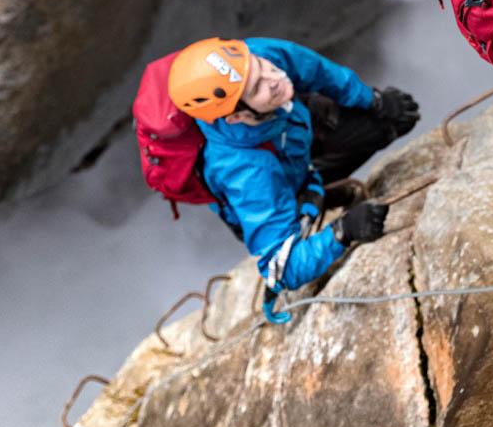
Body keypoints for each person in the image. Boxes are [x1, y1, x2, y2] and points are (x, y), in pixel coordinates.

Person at [167, 36, 419, 295]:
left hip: (293, 132)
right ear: (237, 116)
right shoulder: (246, 172)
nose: (273, 77)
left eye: (261, 66)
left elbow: (317, 70)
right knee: (293, 219)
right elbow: (280, 270)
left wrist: (372, 100)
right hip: (279, 176)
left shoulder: (251, 60)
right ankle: (317, 193)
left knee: (392, 120)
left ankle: (321, 188)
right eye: (257, 88)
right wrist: (342, 232)